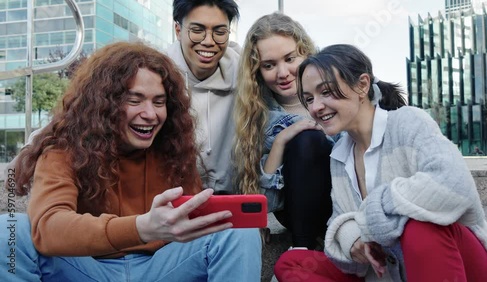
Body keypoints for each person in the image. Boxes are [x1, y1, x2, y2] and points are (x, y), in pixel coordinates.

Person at [0, 42, 261, 281]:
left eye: (159, 102)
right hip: (87, 269)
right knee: (8, 229)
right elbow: (48, 228)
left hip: (162, 269)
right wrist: (141, 228)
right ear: (103, 104)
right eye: (134, 100)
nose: (150, 114)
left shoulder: (174, 149)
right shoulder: (63, 150)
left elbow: (192, 224)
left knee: (239, 230)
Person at [274, 44, 487, 281]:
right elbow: (339, 219)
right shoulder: (340, 154)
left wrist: (372, 217)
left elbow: (455, 185)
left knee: (420, 228)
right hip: (388, 271)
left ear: (362, 84)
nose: (315, 107)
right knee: (293, 263)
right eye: (309, 99)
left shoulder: (407, 122)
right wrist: (355, 239)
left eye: (326, 92)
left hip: (458, 262)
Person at [234, 12, 335, 249]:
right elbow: (267, 205)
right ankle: (302, 251)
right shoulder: (257, 116)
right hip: (296, 211)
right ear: (257, 71)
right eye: (269, 65)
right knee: (307, 139)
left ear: (307, 53)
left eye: (290, 59)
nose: (282, 73)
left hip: (345, 201)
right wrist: (280, 141)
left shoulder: (338, 92)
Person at [168, 0, 240, 194]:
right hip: (172, 200)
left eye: (219, 31)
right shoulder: (156, 75)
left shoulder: (246, 75)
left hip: (233, 198)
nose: (209, 41)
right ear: (178, 30)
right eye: (197, 30)